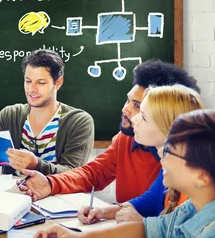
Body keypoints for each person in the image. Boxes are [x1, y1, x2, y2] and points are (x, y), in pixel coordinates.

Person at [32, 108, 215, 238]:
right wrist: (77, 237)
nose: (160, 152)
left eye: (169, 151)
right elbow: (146, 231)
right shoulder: (192, 209)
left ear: (202, 176)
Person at [19, 60, 199, 203]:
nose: (126, 110)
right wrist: (51, 183)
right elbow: (93, 174)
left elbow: (160, 219)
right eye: (127, 100)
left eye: (138, 107)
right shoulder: (126, 139)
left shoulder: (181, 163)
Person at [78, 84, 204, 225]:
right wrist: (104, 212)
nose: (134, 120)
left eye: (143, 117)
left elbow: (183, 235)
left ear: (167, 127)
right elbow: (150, 201)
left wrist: (143, 223)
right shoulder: (169, 165)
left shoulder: (198, 182)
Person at [0, 49, 94, 175]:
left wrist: (36, 164)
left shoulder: (79, 121)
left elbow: (73, 174)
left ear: (58, 83)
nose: (31, 89)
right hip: (15, 196)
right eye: (28, 81)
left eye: (41, 83)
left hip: (57, 197)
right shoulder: (10, 115)